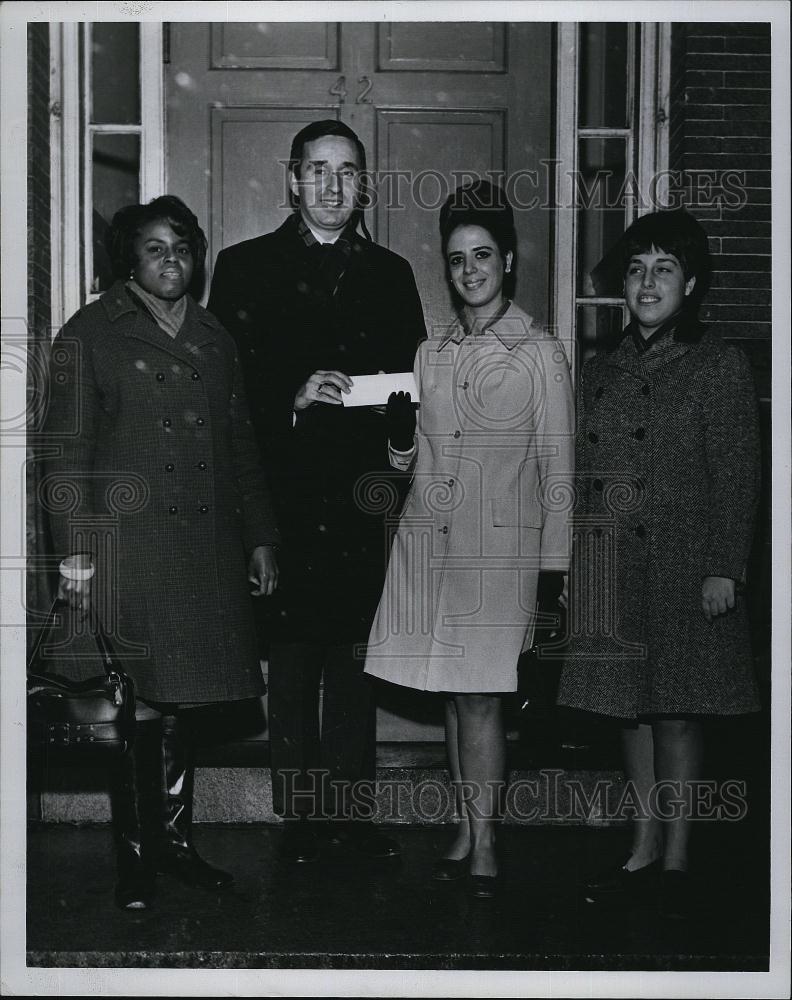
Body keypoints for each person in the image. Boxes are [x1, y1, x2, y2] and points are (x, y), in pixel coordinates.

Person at [43, 195, 280, 910]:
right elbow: (63, 457)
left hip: (203, 551)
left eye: (182, 245)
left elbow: (242, 449)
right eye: (154, 247)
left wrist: (263, 537)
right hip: (129, 551)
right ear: (130, 260)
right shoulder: (88, 335)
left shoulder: (216, 337)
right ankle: (137, 860)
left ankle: (178, 846)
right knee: (136, 705)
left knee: (184, 705)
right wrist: (75, 555)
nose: (171, 258)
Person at [207, 120, 426, 863]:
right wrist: (292, 398)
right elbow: (226, 396)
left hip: (364, 503)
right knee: (294, 660)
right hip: (284, 496)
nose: (334, 186)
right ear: (293, 180)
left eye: (348, 172)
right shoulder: (245, 269)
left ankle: (352, 819)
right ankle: (299, 823)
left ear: (364, 184)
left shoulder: (392, 275)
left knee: (357, 662)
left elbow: (409, 393)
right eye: (319, 170)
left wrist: (398, 441)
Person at [364, 181, 575, 896]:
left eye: (483, 256)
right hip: (431, 548)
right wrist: (396, 441)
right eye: (457, 260)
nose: (470, 271)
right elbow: (412, 461)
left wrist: (554, 575)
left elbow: (558, 469)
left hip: (499, 557)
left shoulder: (540, 352)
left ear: (508, 261)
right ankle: (464, 824)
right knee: (451, 697)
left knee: (482, 698)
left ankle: (487, 842)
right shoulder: (432, 354)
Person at [556, 209, 761, 919]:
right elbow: (583, 477)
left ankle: (677, 859)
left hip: (686, 566)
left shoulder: (718, 363)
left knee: (678, 713)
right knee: (629, 715)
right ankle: (641, 848)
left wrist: (725, 568)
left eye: (663, 269)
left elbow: (738, 474)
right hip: (614, 570)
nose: (647, 283)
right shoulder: (601, 370)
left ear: (691, 283)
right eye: (636, 270)